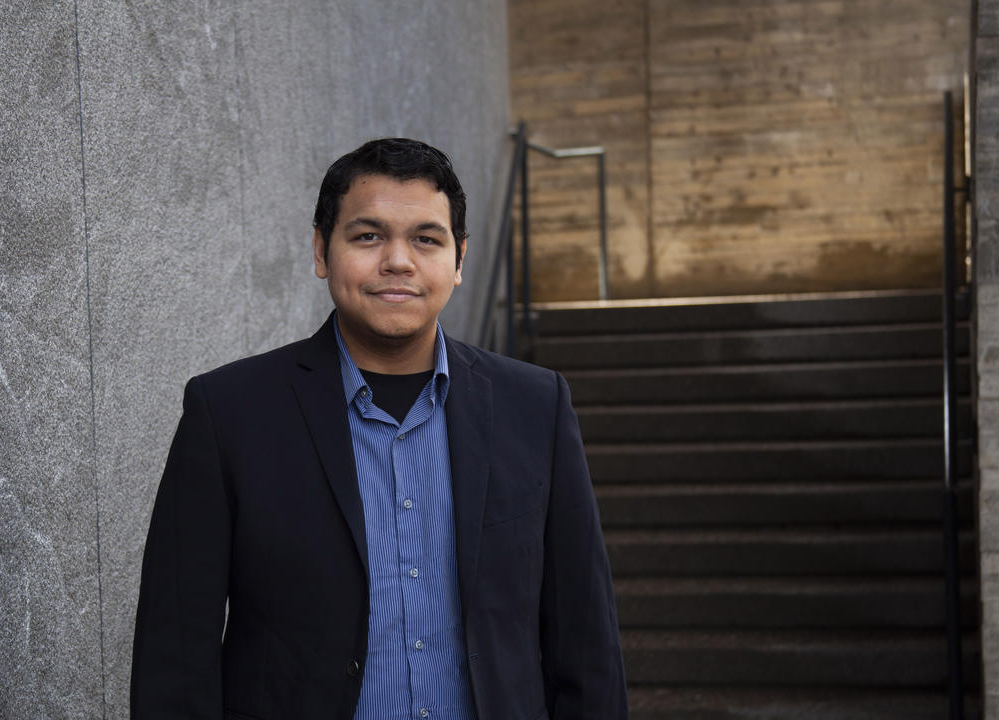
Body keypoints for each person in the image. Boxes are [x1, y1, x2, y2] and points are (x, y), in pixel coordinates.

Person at [130, 138, 628, 720]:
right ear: (321, 252)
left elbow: (585, 637)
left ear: (460, 259)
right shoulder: (229, 411)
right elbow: (177, 652)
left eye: (426, 238)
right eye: (368, 236)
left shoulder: (535, 406)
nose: (398, 260)